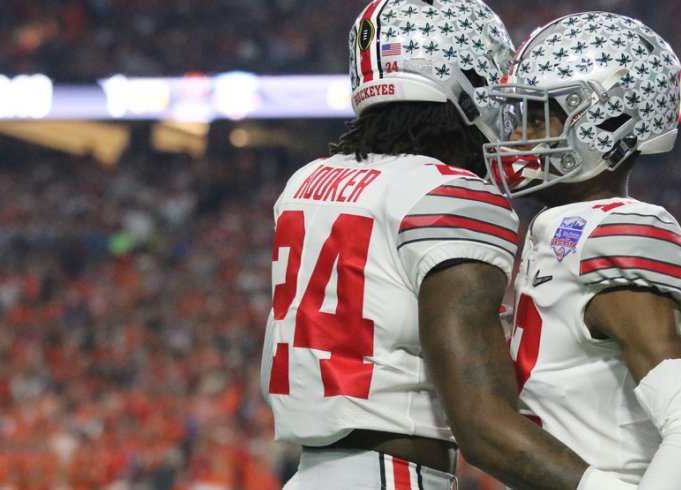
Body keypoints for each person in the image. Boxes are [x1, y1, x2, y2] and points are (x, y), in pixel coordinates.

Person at [261, 1, 627, 489]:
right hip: (394, 476)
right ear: (464, 83)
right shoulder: (449, 194)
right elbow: (482, 425)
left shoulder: (306, 182)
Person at [484, 11, 681, 489]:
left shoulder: (616, 230)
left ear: (609, 122)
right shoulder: (556, 230)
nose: (516, 135)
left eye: (539, 116)